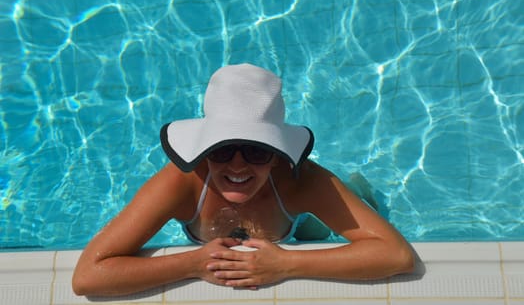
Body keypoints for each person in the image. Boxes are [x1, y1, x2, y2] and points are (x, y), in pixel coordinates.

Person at [72, 63, 414, 296]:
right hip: (271, 230)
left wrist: (287, 263)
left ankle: (360, 191)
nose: (238, 166)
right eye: (222, 150)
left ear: (277, 154)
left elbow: (396, 255)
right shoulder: (181, 183)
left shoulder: (302, 181)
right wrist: (193, 263)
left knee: (323, 230)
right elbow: (88, 275)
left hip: (297, 227)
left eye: (256, 151)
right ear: (203, 151)